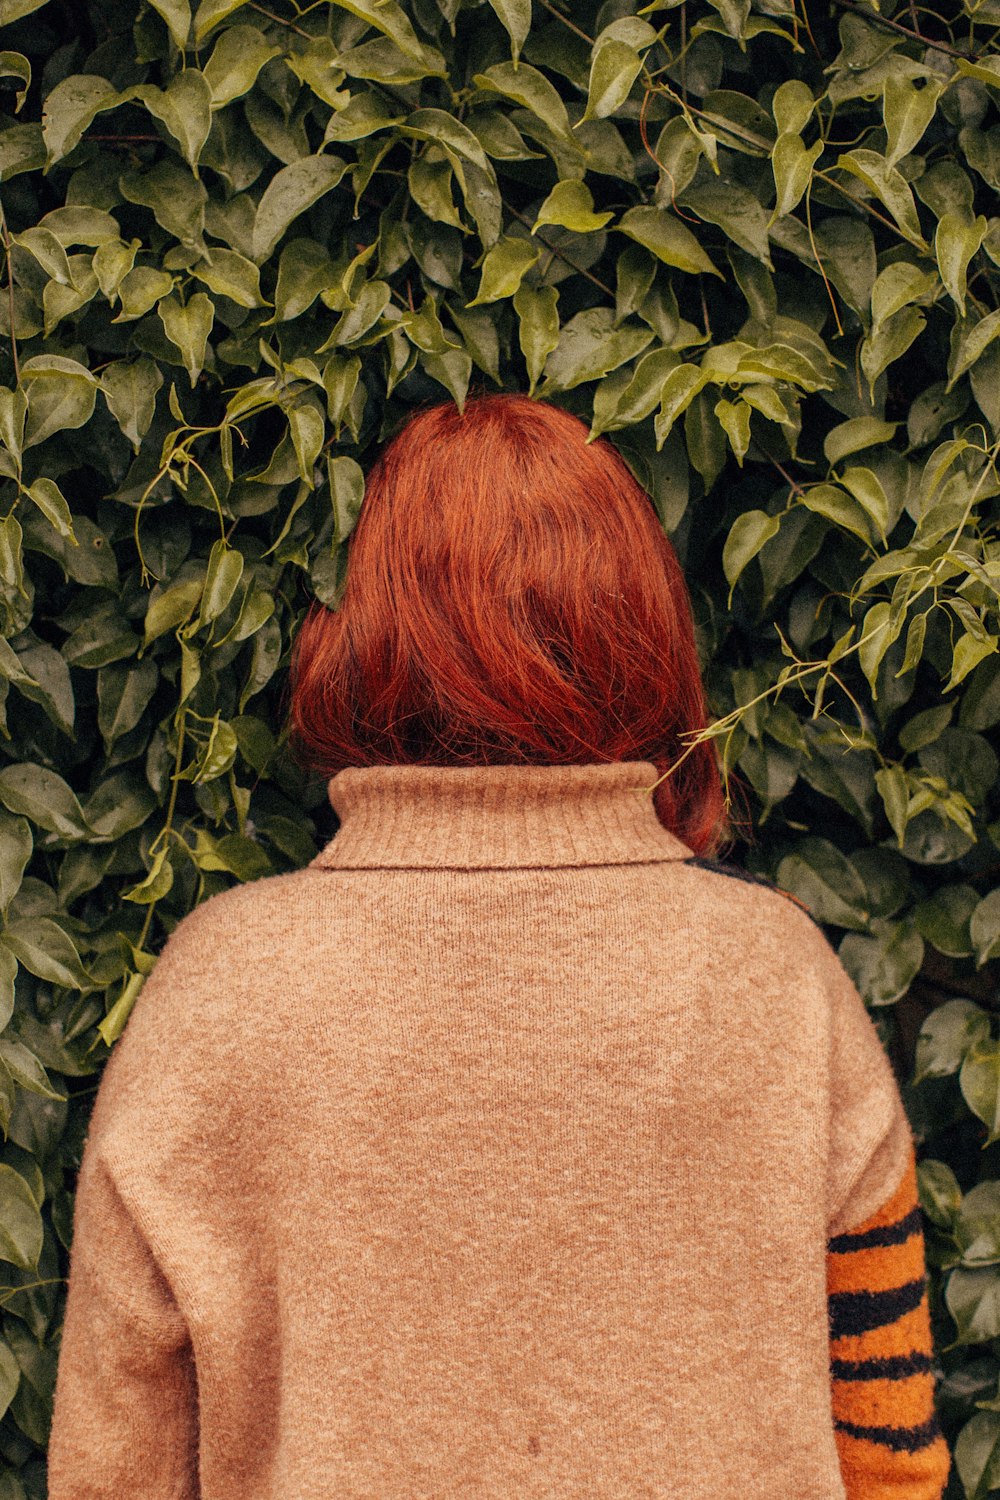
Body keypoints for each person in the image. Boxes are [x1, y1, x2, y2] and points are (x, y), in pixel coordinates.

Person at [46, 392, 951, 1498]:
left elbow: (114, 1458)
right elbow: (888, 1449)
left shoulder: (222, 988)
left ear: (364, 627)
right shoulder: (776, 978)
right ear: (645, 627)